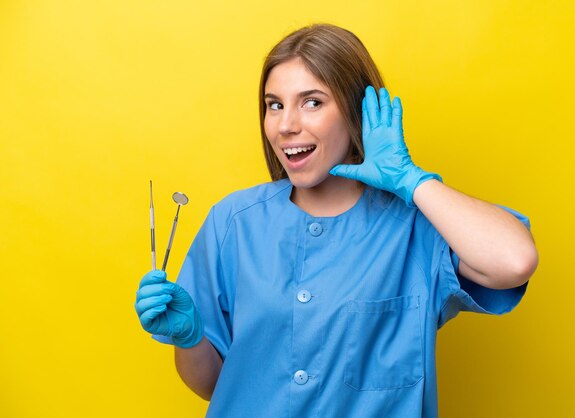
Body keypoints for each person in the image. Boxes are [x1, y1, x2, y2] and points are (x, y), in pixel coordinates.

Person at [134, 23, 538, 418]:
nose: (286, 124)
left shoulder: (417, 226)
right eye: (274, 104)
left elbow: (514, 261)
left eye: (312, 102)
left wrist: (409, 179)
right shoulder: (234, 223)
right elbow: (215, 385)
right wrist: (188, 340)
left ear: (356, 110)